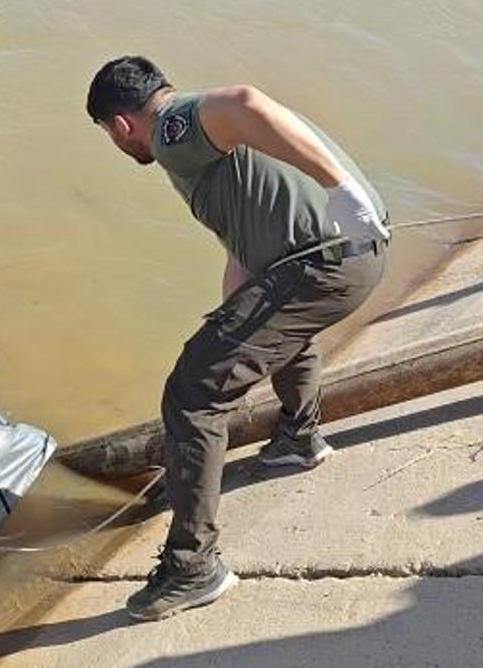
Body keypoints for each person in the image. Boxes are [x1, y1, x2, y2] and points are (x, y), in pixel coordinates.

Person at [86, 56, 389, 620]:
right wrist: (233, 321)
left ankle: (192, 567)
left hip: (324, 264)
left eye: (109, 134)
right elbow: (244, 254)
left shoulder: (174, 129)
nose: (116, 143)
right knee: (269, 330)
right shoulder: (206, 152)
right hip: (341, 261)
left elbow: (246, 100)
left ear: (120, 125)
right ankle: (299, 439)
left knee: (192, 393)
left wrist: (341, 188)